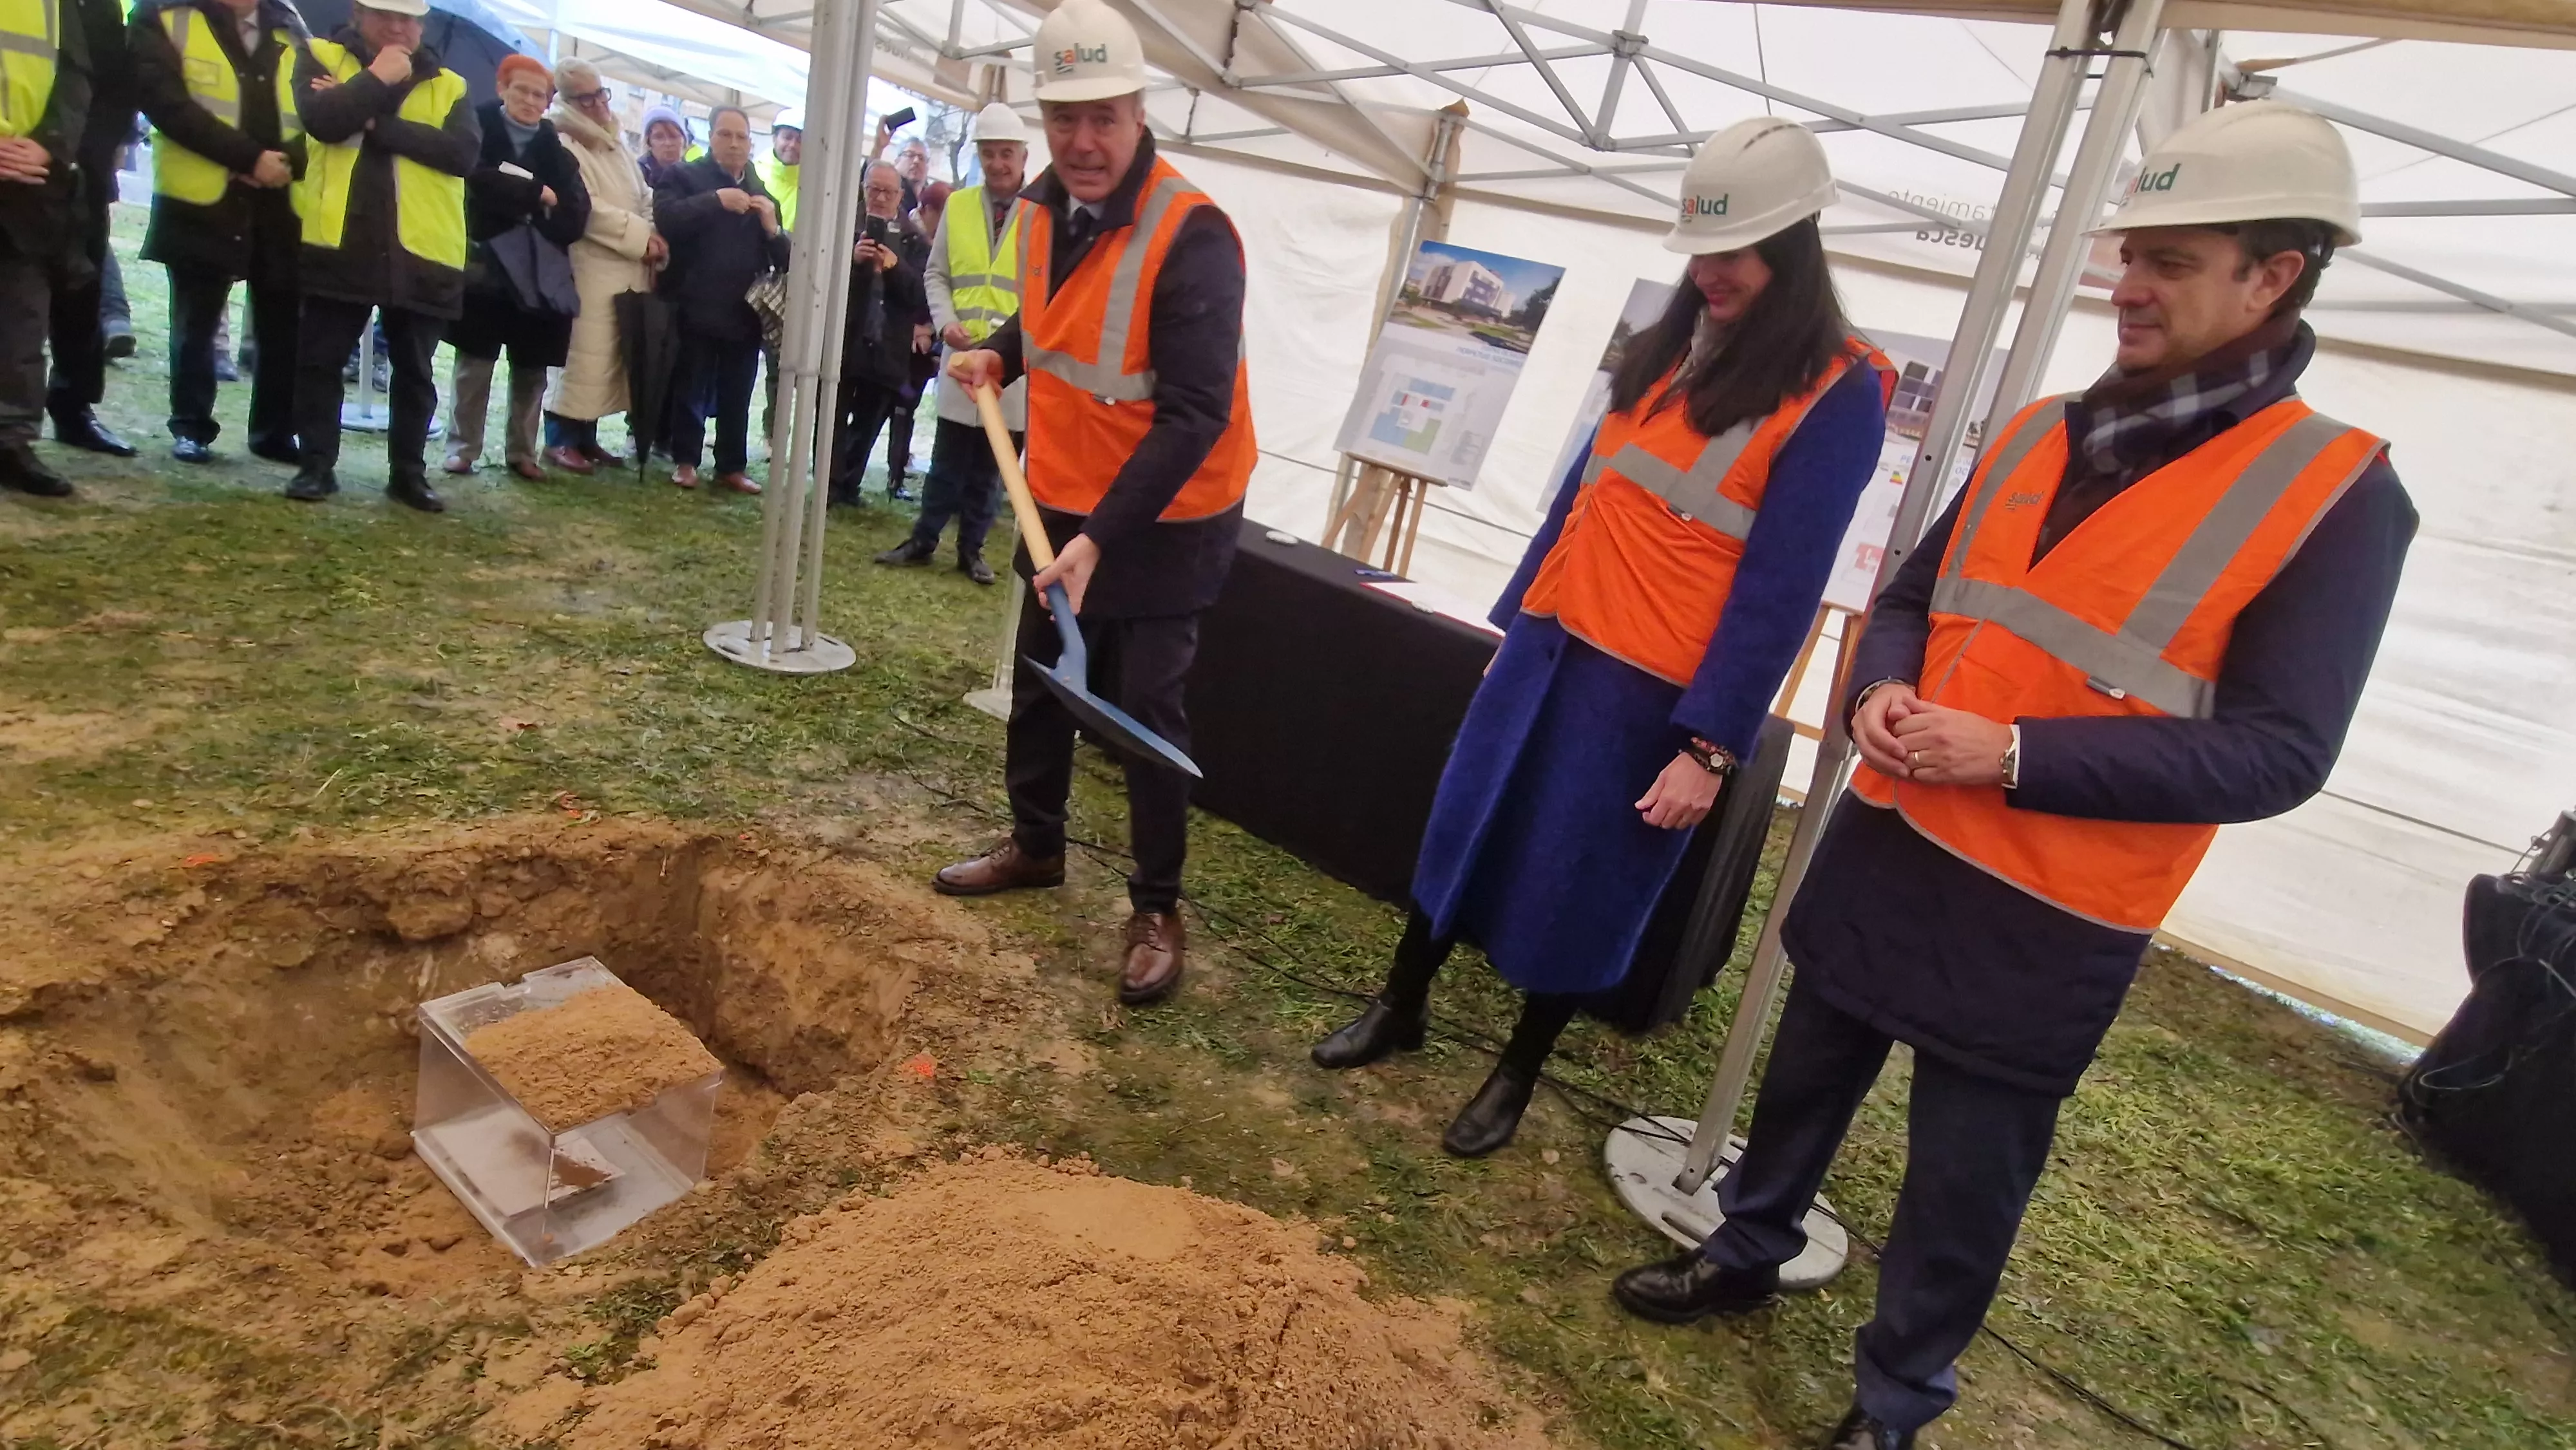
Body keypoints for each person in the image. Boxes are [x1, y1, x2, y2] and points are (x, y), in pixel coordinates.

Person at [1607, 102, 2417, 1450]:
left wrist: (2019, 752)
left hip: (2049, 906)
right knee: (1805, 1077)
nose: (2128, 285)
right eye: (2127, 254)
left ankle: (1893, 1398)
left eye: (2172, 260)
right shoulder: (2040, 425)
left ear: (2273, 276)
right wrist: (1876, 684)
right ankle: (1744, 1250)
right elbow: (1915, 593)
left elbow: (2281, 749)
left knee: (1963, 1178)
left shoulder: (2335, 494)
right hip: (1891, 837)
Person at [1309, 118, 1892, 1160]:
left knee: (1582, 875)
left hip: (1651, 691)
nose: (1710, 271)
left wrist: (1711, 743)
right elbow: (1586, 486)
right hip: (1548, 641)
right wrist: (1516, 618)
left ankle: (1517, 1071)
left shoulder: (1840, 389)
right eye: (1701, 250)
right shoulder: (1669, 341)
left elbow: (1785, 587)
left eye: (1735, 252)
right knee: (1466, 821)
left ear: (1797, 242)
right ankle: (1403, 1001)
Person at [934, 0, 1255, 1008]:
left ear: (1138, 111)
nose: (1082, 142)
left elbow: (1195, 414)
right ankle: (1036, 845)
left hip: (1170, 516)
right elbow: (1056, 312)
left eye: (1103, 118)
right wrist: (1003, 348)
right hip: (1062, 492)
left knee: (1142, 704)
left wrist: (1102, 543)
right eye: (1064, 118)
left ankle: (1157, 906)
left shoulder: (1195, 234)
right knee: (1040, 685)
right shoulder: (1037, 209)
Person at [284, 0, 476, 512]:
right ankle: (316, 467)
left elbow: (461, 155)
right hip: (343, 238)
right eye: (383, 14)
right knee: (321, 361)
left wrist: (371, 122)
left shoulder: (451, 84)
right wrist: (376, 77)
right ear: (357, 12)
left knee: (414, 372)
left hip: (423, 248)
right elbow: (323, 120)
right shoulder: (320, 54)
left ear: (423, 23)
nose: (397, 27)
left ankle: (408, 475)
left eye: (409, 18)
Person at [129, 0, 306, 467]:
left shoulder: (291, 26)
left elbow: (315, 107)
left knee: (282, 321)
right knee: (196, 322)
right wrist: (249, 159)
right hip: (202, 198)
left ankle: (274, 432)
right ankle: (191, 427)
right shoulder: (163, 15)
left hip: (281, 199)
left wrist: (286, 162)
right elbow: (164, 102)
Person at [880, 101, 1027, 583]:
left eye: (1007, 153)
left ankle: (973, 550)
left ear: (1023, 156)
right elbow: (936, 273)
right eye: (990, 154)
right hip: (962, 355)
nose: (998, 164)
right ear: (979, 157)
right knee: (947, 458)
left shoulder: (1045, 213)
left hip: (1011, 365)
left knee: (990, 464)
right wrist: (944, 323)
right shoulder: (960, 205)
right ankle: (924, 539)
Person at [441, 55, 588, 480]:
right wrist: (536, 194)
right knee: (475, 363)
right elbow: (475, 184)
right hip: (486, 268)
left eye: (539, 94)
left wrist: (528, 200)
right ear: (502, 89)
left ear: (548, 102)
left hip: (539, 276)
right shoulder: (474, 132)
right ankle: (462, 449)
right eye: (521, 90)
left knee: (531, 368)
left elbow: (575, 217)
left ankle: (523, 453)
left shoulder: (560, 156)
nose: (530, 100)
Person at [652, 102, 784, 493]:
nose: (734, 144)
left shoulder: (759, 189)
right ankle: (686, 460)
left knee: (738, 393)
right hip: (693, 303)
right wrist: (715, 200)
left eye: (742, 136)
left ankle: (730, 466)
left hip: (744, 312)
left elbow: (785, 257)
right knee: (691, 387)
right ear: (710, 139)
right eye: (725, 135)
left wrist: (773, 228)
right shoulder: (684, 176)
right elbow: (667, 218)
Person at [540, 59, 656, 473]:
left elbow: (643, 192)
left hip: (626, 267)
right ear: (567, 100)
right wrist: (641, 237)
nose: (596, 104)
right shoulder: (562, 140)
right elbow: (586, 207)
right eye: (585, 98)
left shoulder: (616, 140)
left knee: (607, 355)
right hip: (589, 263)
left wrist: (652, 231)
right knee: (579, 354)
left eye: (600, 94)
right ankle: (559, 439)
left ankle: (586, 438)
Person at [0, 0, 91, 498]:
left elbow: (75, 78)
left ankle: (12, 439)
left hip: (29, 185)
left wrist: (48, 145)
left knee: (22, 321)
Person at [47, 0, 135, 460]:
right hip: (18, 155)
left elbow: (118, 82)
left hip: (84, 168)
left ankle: (74, 408)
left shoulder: (102, 7)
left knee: (82, 291)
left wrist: (91, 151)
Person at [824, 161, 926, 507]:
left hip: (888, 347)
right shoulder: (841, 229)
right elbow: (823, 284)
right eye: (874, 189)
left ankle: (849, 485)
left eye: (888, 191)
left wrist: (895, 268)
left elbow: (919, 295)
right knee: (832, 417)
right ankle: (829, 486)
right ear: (863, 190)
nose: (881, 197)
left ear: (900, 196)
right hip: (845, 340)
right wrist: (852, 261)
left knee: (869, 422)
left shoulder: (914, 240)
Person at [880, 177, 945, 499]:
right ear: (927, 210)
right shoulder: (907, 236)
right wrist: (914, 326)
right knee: (891, 406)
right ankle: (882, 474)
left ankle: (896, 475)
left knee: (909, 406)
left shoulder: (941, 242)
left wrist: (931, 328)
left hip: (926, 340)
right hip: (897, 337)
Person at [753, 105, 798, 233]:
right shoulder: (755, 172)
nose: (793, 145)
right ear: (774, 138)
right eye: (788, 137)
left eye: (800, 140)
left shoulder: (816, 183)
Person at [638, 104, 692, 190]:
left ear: (684, 141)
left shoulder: (693, 175)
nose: (668, 143)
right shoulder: (638, 174)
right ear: (649, 143)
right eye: (659, 137)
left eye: (674, 136)